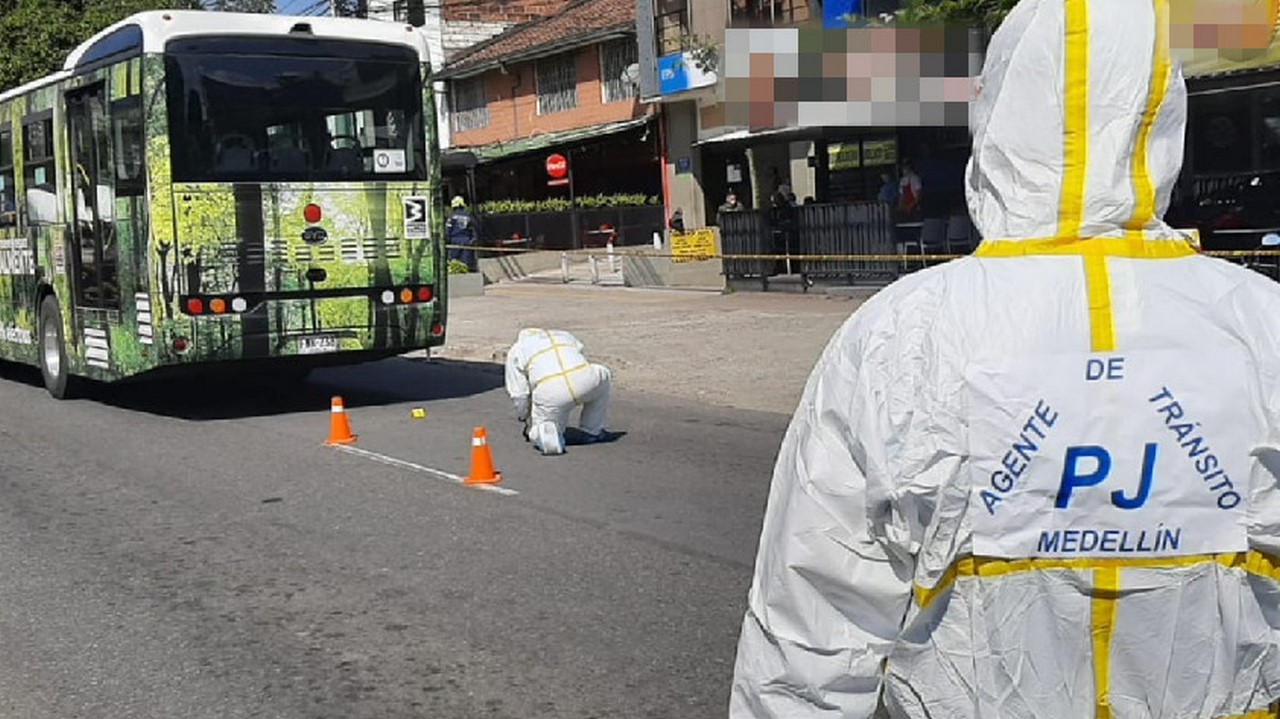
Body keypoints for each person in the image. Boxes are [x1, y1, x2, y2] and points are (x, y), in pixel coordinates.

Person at [730, 1, 1280, 717]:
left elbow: (809, 630)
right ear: (1159, 112)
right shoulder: (1259, 324)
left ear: (998, 113)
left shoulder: (903, 335)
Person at [504, 328, 614, 456]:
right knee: (602, 373)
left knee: (542, 427)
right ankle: (592, 430)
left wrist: (523, 416)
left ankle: (547, 438)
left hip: (551, 391)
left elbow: (520, 395)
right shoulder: (563, 335)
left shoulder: (517, 350)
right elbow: (579, 355)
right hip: (585, 380)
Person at [445, 195, 477, 271]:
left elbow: (448, 230)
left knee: (454, 262)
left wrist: (447, 240)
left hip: (455, 240)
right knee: (466, 261)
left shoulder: (452, 217)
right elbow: (473, 229)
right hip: (466, 241)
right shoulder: (468, 216)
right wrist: (472, 240)